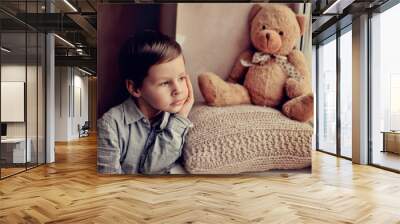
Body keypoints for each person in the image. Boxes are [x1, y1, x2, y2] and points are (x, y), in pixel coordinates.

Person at [97, 30, 194, 174]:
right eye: (165, 83)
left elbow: (157, 167)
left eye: (181, 78)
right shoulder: (110, 126)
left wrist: (180, 119)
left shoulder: (177, 119)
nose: (178, 90)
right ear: (135, 88)